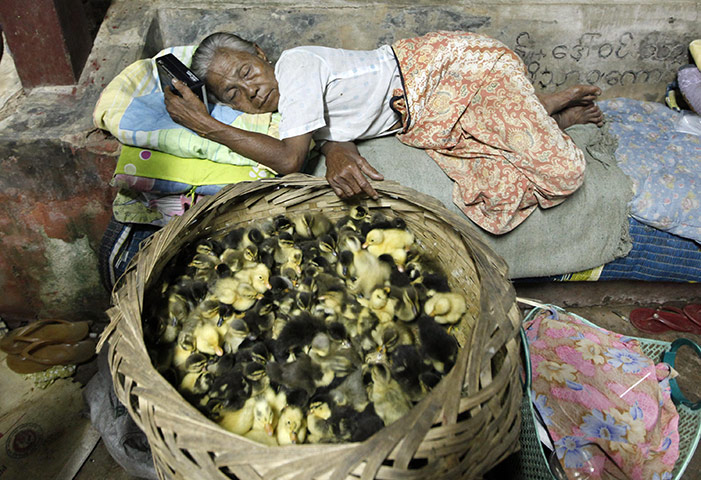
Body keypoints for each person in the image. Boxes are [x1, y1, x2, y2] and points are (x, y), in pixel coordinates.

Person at [164, 31, 604, 234]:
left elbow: (287, 160)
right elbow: (335, 112)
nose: (251, 92)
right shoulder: (290, 111)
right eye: (233, 94)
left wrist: (205, 125)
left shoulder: (294, 64)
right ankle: (538, 113)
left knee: (564, 175)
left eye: (247, 72)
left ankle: (539, 109)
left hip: (455, 71)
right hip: (428, 117)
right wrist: (337, 145)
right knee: (493, 199)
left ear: (263, 54)